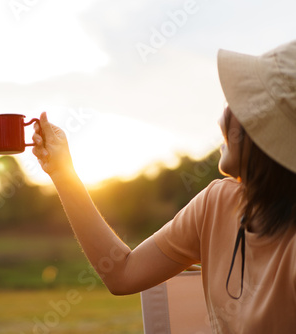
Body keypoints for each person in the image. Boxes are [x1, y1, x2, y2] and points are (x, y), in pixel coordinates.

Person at [32, 40, 296, 333]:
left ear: (265, 131)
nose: (221, 117)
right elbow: (121, 272)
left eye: (238, 105)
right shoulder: (215, 204)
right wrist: (63, 172)